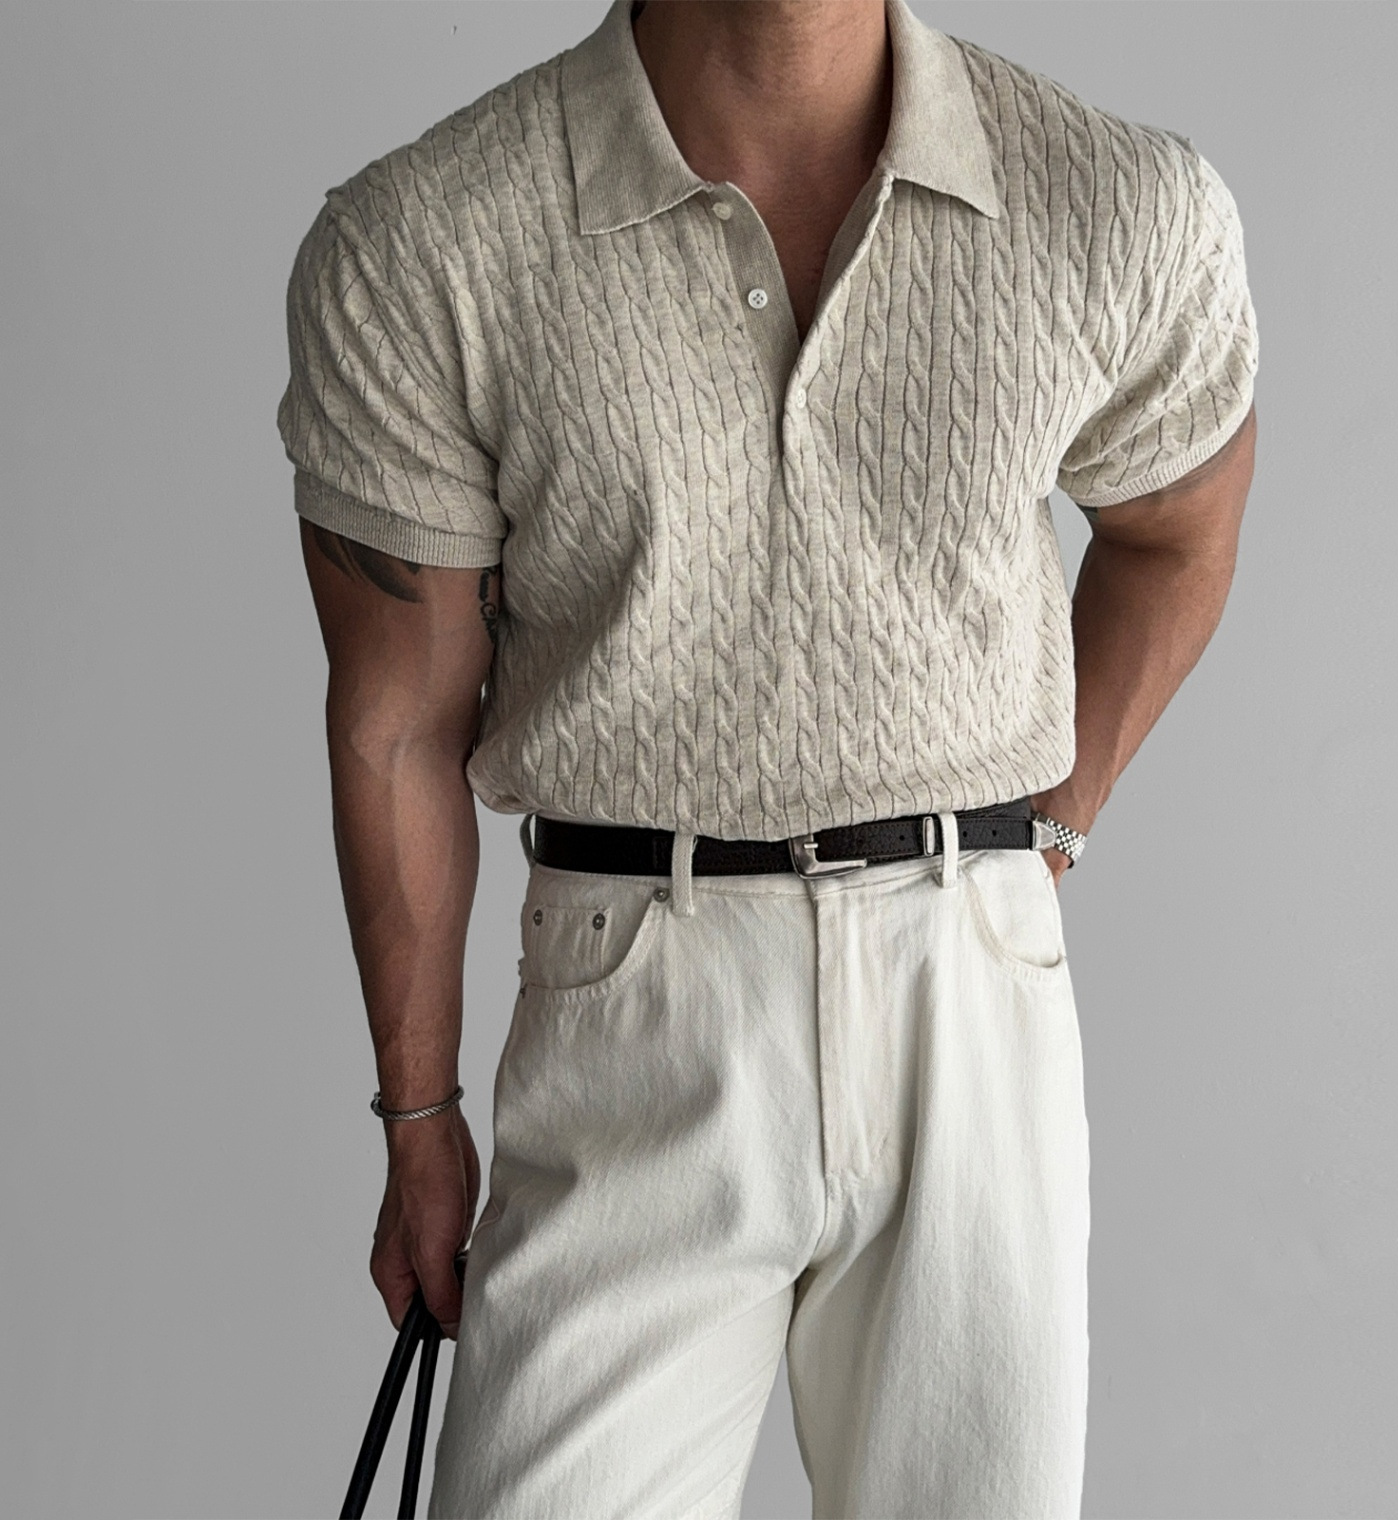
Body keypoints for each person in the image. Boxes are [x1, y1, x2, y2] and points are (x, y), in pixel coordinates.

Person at [277, 0, 1257, 1512]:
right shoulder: (431, 239)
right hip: (633, 999)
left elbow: (1179, 529)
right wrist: (418, 1114)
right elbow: (394, 719)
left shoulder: (1113, 200)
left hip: (968, 1000)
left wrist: (1042, 838)